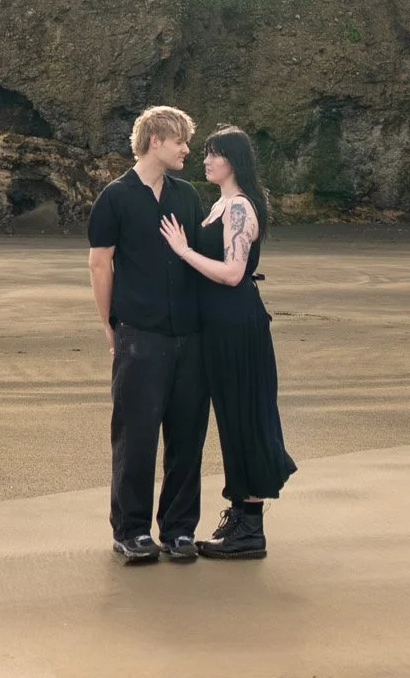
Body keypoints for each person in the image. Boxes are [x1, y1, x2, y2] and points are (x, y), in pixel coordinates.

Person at [160, 123, 296, 559]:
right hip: (219, 326)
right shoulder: (219, 206)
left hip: (237, 325)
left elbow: (234, 274)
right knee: (233, 417)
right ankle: (239, 517)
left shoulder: (238, 209)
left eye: (213, 154)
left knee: (244, 416)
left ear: (232, 161)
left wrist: (183, 250)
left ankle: (249, 529)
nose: (205, 160)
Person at [87, 104, 209, 564]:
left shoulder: (187, 197)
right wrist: (108, 324)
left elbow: (197, 259)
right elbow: (100, 264)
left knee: (187, 436)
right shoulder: (115, 198)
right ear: (155, 140)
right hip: (139, 334)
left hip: (190, 337)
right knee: (135, 436)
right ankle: (131, 530)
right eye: (180, 141)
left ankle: (179, 530)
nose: (186, 149)